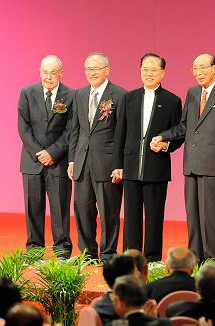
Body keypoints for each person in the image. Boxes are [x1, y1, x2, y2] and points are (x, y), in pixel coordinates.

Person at [151, 53, 215, 265]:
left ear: (214, 68)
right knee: (193, 215)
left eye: (203, 68)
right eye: (195, 68)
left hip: (214, 163)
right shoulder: (192, 93)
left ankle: (214, 259)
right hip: (191, 163)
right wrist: (164, 137)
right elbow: (184, 127)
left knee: (211, 215)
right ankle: (196, 257)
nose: (198, 73)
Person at [113, 53, 183, 262]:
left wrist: (165, 145)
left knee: (154, 217)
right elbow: (120, 134)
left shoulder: (172, 101)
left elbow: (179, 133)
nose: (149, 73)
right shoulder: (129, 98)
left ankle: (152, 258)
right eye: (145, 68)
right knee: (132, 217)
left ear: (163, 72)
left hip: (157, 168)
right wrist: (118, 165)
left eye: (154, 69)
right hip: (131, 167)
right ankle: (131, 258)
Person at [68, 52, 126, 262]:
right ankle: (86, 253)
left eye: (96, 68)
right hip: (83, 162)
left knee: (109, 211)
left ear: (107, 70)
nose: (92, 73)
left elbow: (122, 134)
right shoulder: (80, 94)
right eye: (88, 69)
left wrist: (119, 164)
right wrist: (72, 159)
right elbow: (74, 130)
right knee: (82, 209)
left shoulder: (119, 95)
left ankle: (109, 253)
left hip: (107, 163)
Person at [18, 54, 74, 258]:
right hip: (32, 161)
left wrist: (52, 153)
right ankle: (34, 248)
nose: (48, 77)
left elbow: (71, 129)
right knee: (33, 206)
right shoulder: (27, 93)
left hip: (57, 161)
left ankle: (62, 249)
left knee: (60, 207)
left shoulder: (70, 95)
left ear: (61, 73)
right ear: (39, 72)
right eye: (44, 72)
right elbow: (23, 127)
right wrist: (38, 153)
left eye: (53, 72)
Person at [92, 254, 143, 325]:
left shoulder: (98, 306)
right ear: (126, 279)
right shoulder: (132, 313)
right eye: (136, 272)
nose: (139, 274)